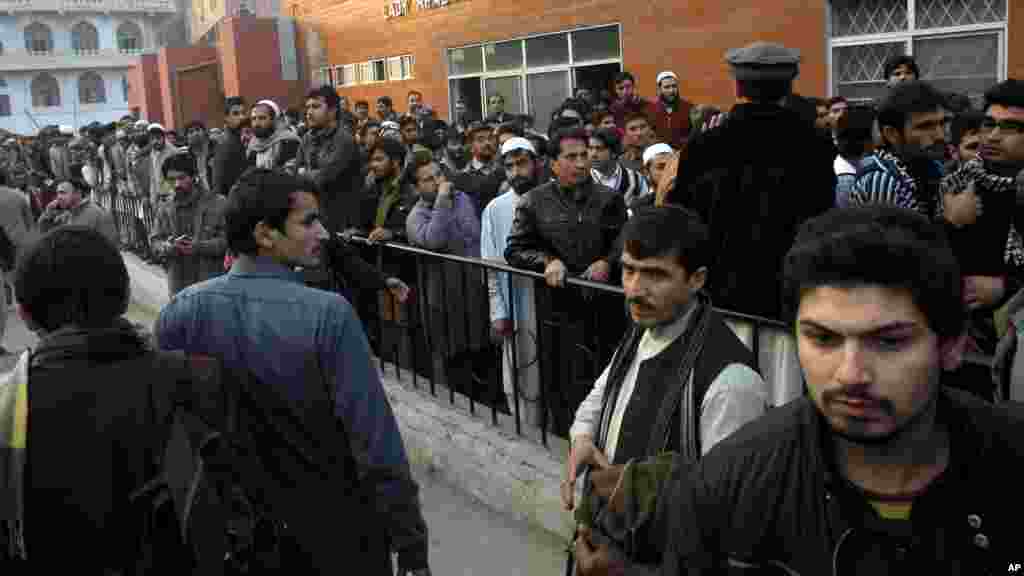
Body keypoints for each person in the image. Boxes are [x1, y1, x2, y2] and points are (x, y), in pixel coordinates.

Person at [658, 205, 1024, 574]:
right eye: (823, 338)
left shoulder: (1011, 458)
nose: (850, 374)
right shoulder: (725, 490)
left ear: (952, 346)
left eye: (889, 342)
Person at [155, 168, 431, 576]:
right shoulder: (328, 314)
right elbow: (373, 440)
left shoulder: (181, 313)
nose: (322, 232)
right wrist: (409, 542)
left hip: (234, 538)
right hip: (334, 534)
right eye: (308, 221)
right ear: (266, 234)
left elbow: (173, 436)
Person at [568, 206, 767, 575]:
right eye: (628, 270)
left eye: (655, 275)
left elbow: (724, 520)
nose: (634, 290)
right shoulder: (643, 331)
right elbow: (598, 399)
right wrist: (581, 439)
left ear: (696, 279)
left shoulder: (731, 381)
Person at [505, 127, 628, 435]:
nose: (581, 163)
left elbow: (625, 243)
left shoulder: (609, 199)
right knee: (564, 391)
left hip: (605, 312)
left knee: (606, 390)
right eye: (571, 157)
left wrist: (607, 262)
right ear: (554, 164)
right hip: (557, 314)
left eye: (584, 155)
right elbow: (515, 249)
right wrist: (547, 261)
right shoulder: (534, 202)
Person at [481, 138, 543, 421]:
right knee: (519, 376)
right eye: (509, 166)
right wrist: (498, 313)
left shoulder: (553, 200)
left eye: (522, 164)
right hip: (515, 306)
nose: (516, 172)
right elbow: (491, 267)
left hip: (548, 303)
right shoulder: (495, 209)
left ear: (536, 164)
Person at [850, 81, 948, 217]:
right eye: (925, 126)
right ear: (892, 134)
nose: (940, 135)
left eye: (942, 123)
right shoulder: (881, 181)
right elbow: (895, 238)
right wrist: (951, 221)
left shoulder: (933, 167)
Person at [149, 150, 228, 296]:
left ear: (194, 177)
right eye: (171, 180)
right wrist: (168, 247)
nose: (177, 184)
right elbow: (155, 241)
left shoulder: (218, 203)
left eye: (182, 178)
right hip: (178, 284)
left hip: (210, 283)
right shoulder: (165, 207)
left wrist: (200, 247)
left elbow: (228, 241)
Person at [296, 85, 364, 233]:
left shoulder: (344, 140)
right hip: (315, 218)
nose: (309, 112)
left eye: (316, 106)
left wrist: (304, 173)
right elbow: (294, 174)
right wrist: (304, 174)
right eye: (308, 107)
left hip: (340, 223)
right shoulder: (307, 138)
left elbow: (322, 178)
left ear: (332, 110)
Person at [37, 166, 118, 247]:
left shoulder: (96, 213)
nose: (58, 197)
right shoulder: (65, 216)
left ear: (77, 193)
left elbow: (110, 245)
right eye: (57, 193)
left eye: (63, 193)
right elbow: (45, 235)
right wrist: (48, 212)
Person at [0, 169, 35, 354]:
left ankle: (7, 302)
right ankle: (25, 308)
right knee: (21, 280)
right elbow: (30, 221)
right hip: (19, 243)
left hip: (2, 248)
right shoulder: (18, 196)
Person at [247, 99, 302, 170]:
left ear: (274, 120)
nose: (257, 123)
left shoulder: (289, 141)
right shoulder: (253, 144)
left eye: (262, 118)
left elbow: (289, 175)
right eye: (253, 118)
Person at [212, 96, 249, 198]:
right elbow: (218, 183)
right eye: (236, 114)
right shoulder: (224, 144)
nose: (241, 117)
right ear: (226, 118)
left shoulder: (247, 137)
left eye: (243, 113)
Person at [646, 71, 692, 149]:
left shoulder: (688, 108)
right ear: (659, 89)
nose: (671, 90)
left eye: (674, 86)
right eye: (667, 87)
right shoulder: (650, 110)